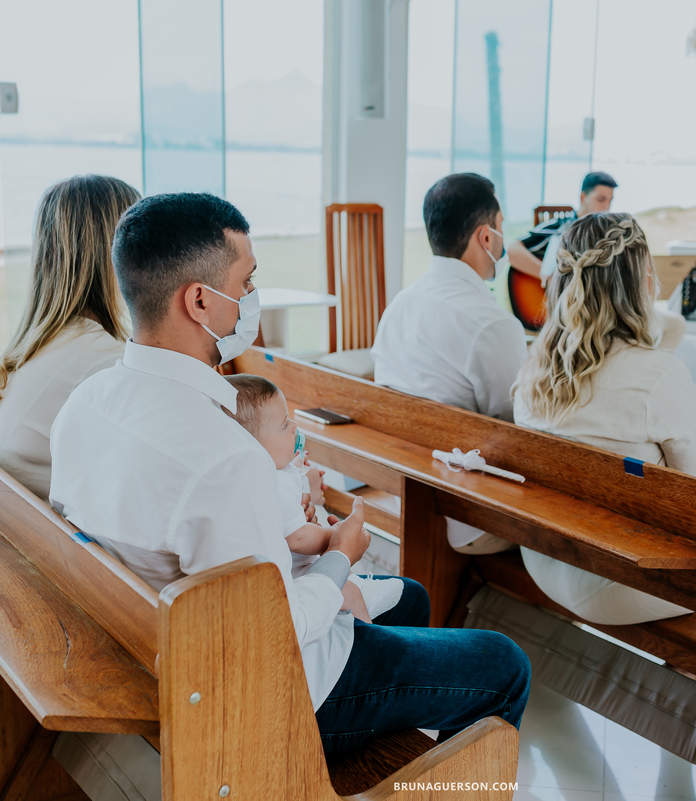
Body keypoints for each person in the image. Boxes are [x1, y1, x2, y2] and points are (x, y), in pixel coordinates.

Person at [48, 192, 529, 755]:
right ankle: (427, 776)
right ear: (199, 301)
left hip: (158, 638)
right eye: (246, 281)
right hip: (273, 690)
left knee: (412, 600)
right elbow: (280, 628)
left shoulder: (85, 401)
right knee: (505, 663)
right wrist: (341, 553)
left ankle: (406, 752)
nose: (251, 296)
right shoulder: (225, 456)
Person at [512, 212, 696, 626]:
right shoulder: (659, 376)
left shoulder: (532, 371)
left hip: (540, 557)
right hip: (620, 581)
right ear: (642, 281)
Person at [371, 173, 527, 553]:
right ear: (486, 237)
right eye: (501, 227)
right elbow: (518, 431)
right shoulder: (493, 324)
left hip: (405, 491)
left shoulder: (400, 304)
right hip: (470, 514)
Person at [0, 175, 140, 500]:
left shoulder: (42, 343)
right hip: (58, 527)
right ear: (116, 252)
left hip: (27, 517)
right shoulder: (103, 359)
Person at [224, 373, 404, 622]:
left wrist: (299, 468)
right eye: (284, 425)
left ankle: (362, 593)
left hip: (302, 568)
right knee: (348, 592)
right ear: (255, 447)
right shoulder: (271, 485)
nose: (294, 426)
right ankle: (368, 635)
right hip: (296, 577)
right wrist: (338, 538)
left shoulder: (271, 470)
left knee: (349, 581)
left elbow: (294, 471)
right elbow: (297, 537)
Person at [506, 171, 617, 281]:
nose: (606, 207)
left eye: (610, 201)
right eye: (601, 200)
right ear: (583, 198)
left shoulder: (608, 235)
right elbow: (513, 250)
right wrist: (549, 278)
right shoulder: (560, 227)